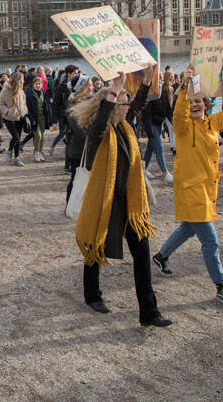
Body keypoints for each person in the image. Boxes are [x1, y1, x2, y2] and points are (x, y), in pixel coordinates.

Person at [72, 71, 171, 327]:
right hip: (106, 201)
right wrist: (113, 92)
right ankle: (92, 294)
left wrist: (147, 80)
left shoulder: (126, 128)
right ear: (114, 106)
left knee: (142, 255)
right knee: (95, 246)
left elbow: (138, 104)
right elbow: (100, 124)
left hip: (130, 202)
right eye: (124, 103)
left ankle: (149, 312)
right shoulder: (99, 134)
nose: (129, 107)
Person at [152, 65, 223, 308]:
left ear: (207, 104)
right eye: (191, 102)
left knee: (189, 228)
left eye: (199, 101)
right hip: (191, 191)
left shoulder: (212, 124)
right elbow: (178, 114)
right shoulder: (184, 128)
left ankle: (161, 256)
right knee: (210, 242)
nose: (195, 105)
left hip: (206, 191)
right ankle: (221, 286)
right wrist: (184, 88)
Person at [142, 72, 174, 183]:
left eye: (161, 79)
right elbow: (146, 113)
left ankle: (143, 168)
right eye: (158, 79)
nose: (159, 81)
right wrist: (148, 128)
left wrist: (173, 123)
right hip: (151, 124)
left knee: (151, 147)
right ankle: (165, 173)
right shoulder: (150, 93)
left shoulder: (165, 91)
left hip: (159, 123)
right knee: (159, 146)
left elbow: (168, 110)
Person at [0, 72, 28, 167]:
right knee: (16, 137)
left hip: (20, 116)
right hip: (9, 117)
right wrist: (7, 111)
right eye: (22, 80)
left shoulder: (21, 90)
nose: (23, 81)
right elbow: (0, 103)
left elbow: (23, 102)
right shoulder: (5, 90)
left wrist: (24, 112)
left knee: (18, 138)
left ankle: (17, 158)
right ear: (17, 81)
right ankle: (9, 151)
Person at [50, 65, 79, 157]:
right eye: (75, 73)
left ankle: (70, 160)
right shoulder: (61, 87)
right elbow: (55, 104)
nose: (77, 75)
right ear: (68, 74)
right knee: (63, 134)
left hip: (75, 114)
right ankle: (54, 147)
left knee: (73, 137)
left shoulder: (78, 85)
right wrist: (54, 121)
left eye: (78, 73)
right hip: (63, 116)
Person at [25, 74, 52, 162]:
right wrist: (31, 119)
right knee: (38, 135)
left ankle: (40, 153)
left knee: (43, 136)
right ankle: (36, 152)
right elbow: (28, 109)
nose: (38, 85)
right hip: (34, 118)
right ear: (33, 84)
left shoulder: (44, 93)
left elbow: (47, 105)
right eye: (36, 84)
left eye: (39, 84)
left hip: (43, 117)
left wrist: (50, 117)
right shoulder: (29, 94)